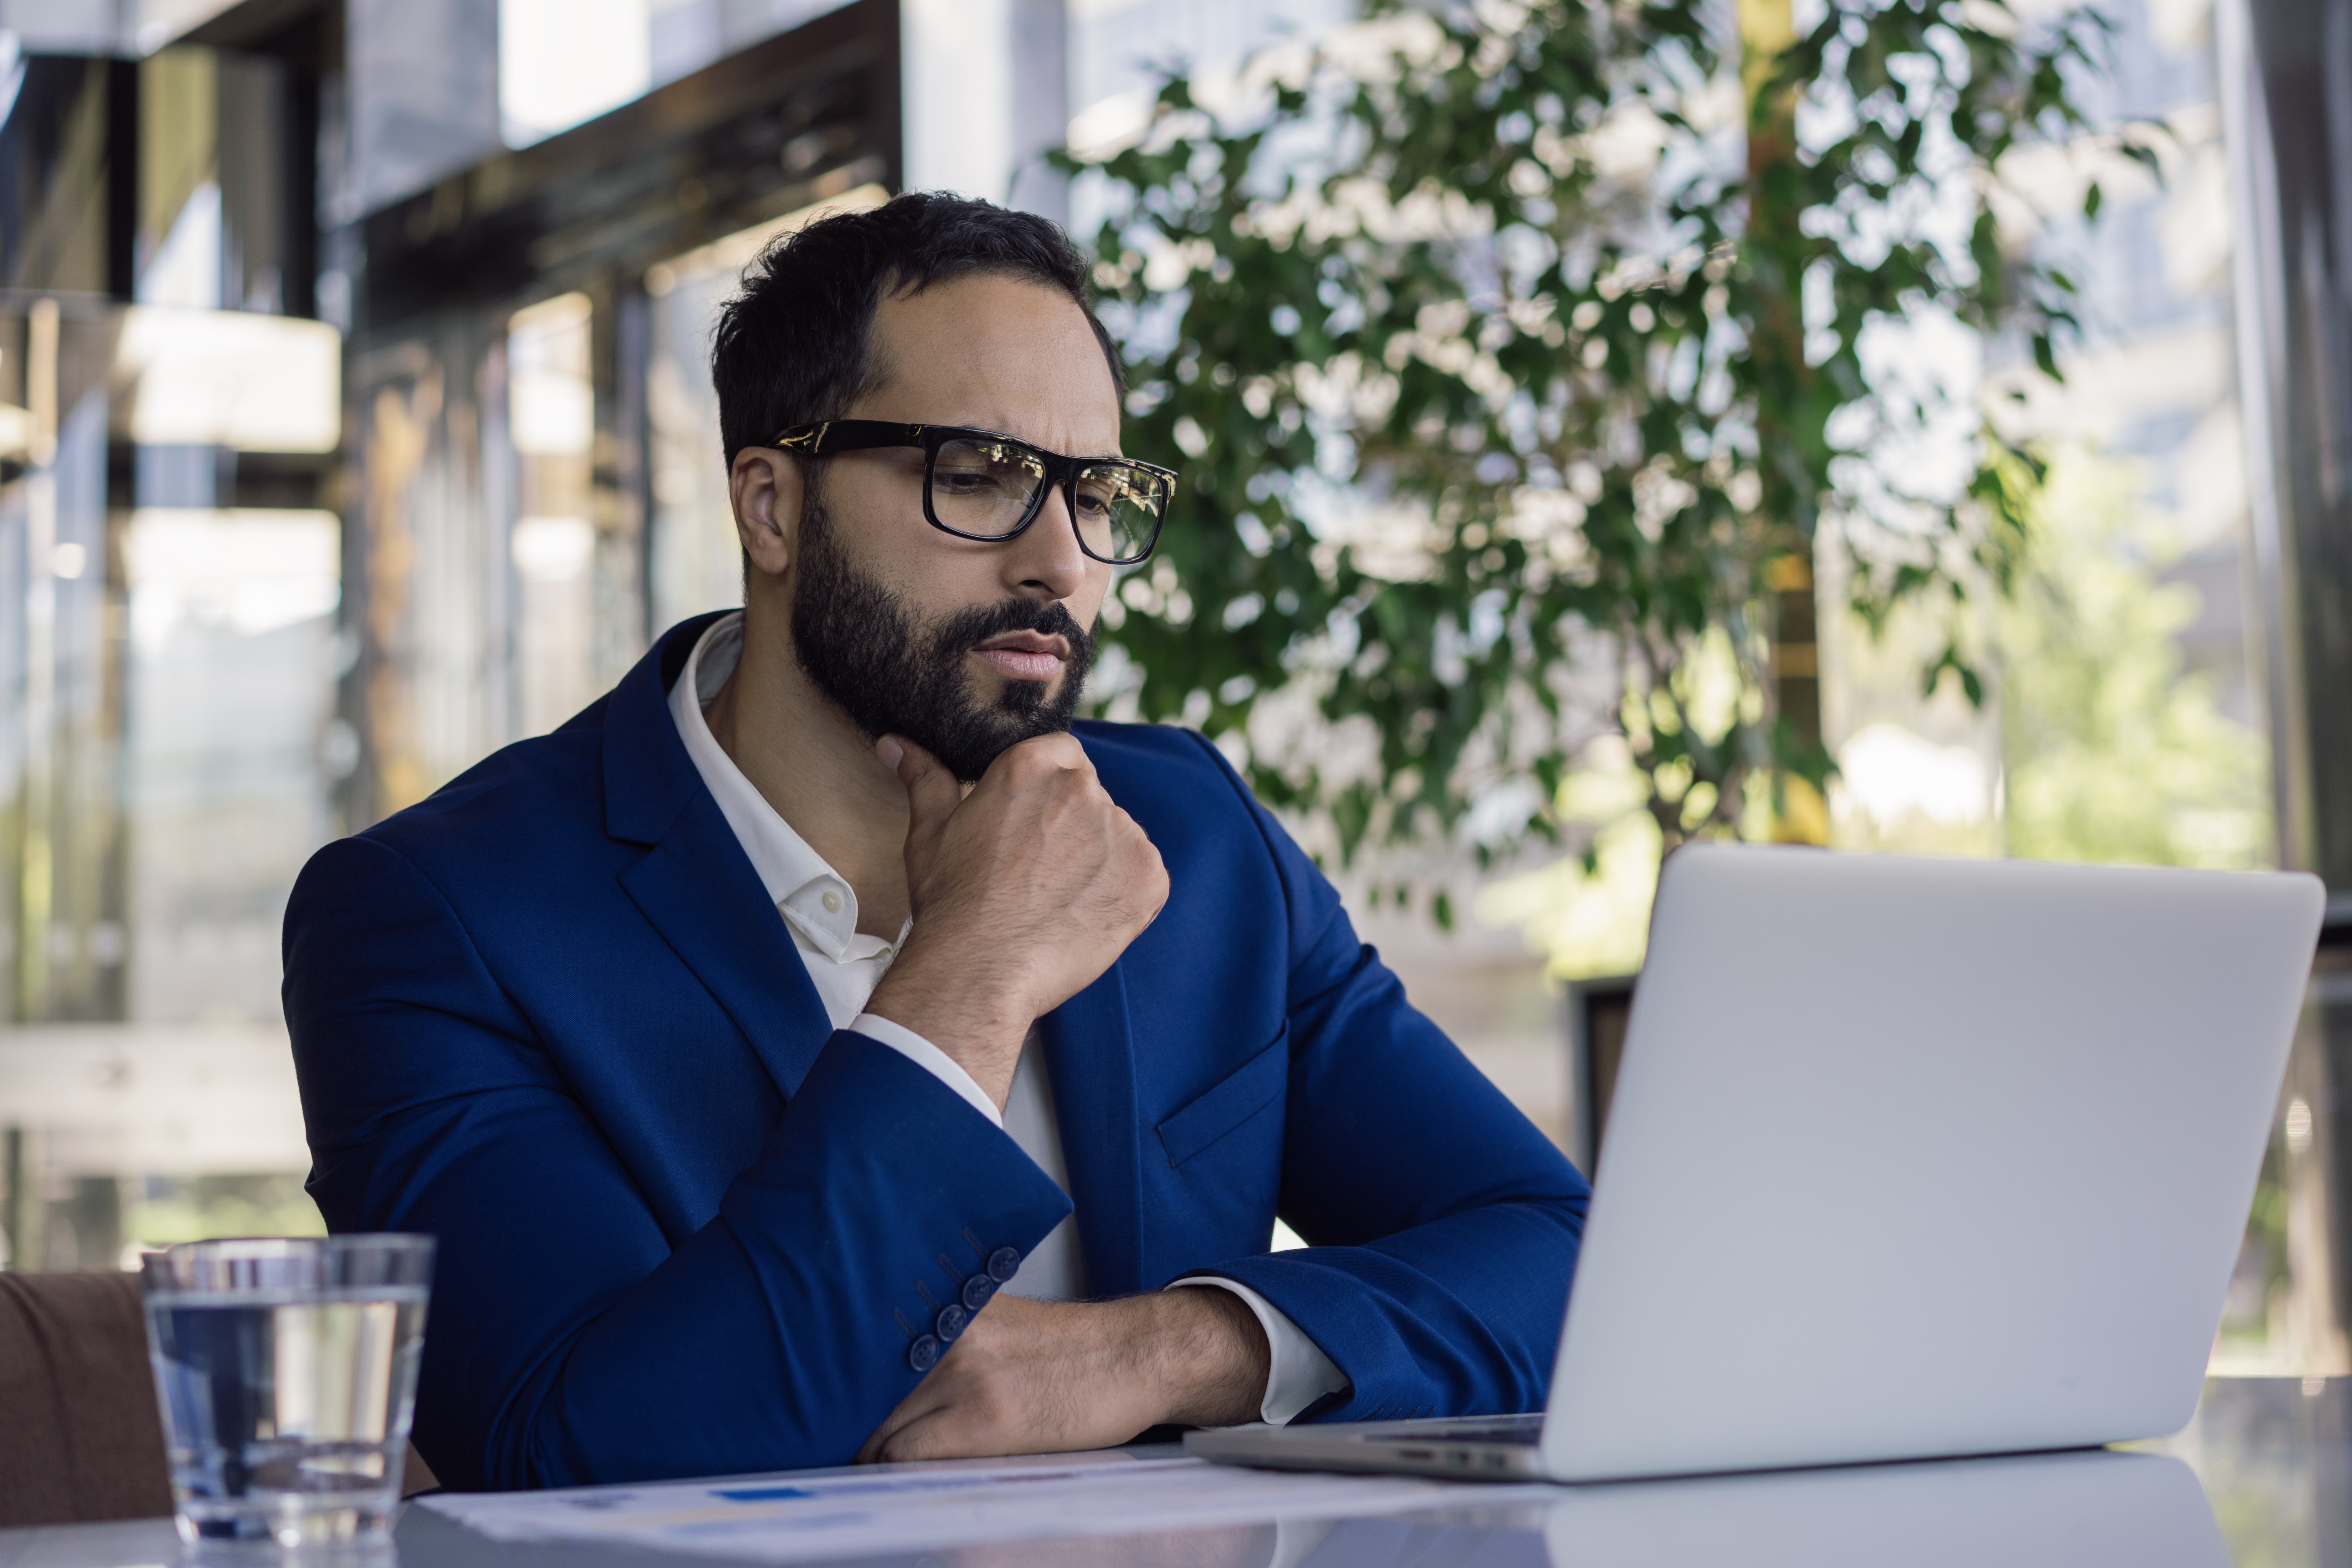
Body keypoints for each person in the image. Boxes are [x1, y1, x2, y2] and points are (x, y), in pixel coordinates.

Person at [285, 193, 1590, 1491]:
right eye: (980, 475)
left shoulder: (1191, 830)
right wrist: (969, 973)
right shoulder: (435, 919)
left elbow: (1568, 1257)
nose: (1059, 561)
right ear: (771, 508)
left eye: (1097, 493)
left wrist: (1159, 1352)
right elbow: (565, 1449)